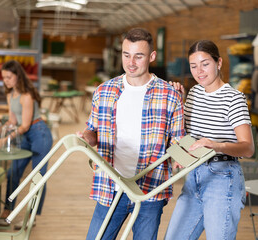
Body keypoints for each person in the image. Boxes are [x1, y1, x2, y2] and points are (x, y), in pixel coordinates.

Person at [77, 28, 185, 239]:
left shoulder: (170, 95)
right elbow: (93, 131)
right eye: (126, 55)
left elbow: (177, 141)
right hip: (111, 186)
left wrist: (180, 158)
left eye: (139, 56)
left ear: (152, 56)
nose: (131, 62)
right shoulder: (104, 91)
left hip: (150, 190)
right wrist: (85, 138)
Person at [164, 40, 254, 240]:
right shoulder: (194, 93)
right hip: (194, 176)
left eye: (205, 64)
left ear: (219, 63)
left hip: (223, 179)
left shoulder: (234, 98)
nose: (199, 71)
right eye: (193, 66)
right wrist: (178, 101)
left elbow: (248, 148)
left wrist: (216, 145)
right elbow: (185, 135)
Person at [0, 60, 53, 227]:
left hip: (39, 134)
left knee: (37, 177)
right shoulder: (10, 95)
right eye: (4, 78)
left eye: (9, 77)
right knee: (13, 173)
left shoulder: (27, 96)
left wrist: (3, 140)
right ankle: (7, 213)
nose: (6, 81)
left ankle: (30, 218)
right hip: (25, 135)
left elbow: (24, 125)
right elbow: (12, 121)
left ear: (18, 76)